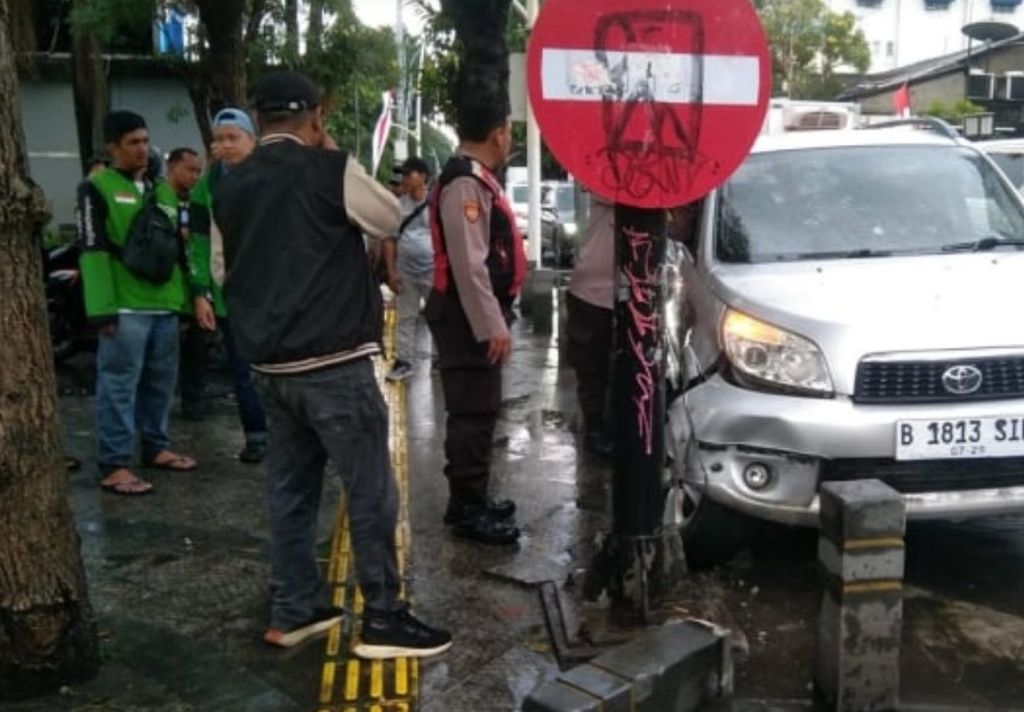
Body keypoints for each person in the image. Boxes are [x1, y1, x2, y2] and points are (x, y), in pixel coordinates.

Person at [211, 71, 451, 656]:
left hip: (269, 368)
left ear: (259, 119)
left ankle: (295, 608)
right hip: (333, 363)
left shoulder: (229, 186)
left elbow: (223, 272)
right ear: (314, 117)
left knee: (290, 491)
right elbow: (390, 217)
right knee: (369, 490)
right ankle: (385, 619)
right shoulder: (328, 170)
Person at [77, 110, 197, 496]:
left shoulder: (162, 189)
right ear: (113, 147)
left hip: (164, 304)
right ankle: (114, 464)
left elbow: (179, 248)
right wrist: (102, 310)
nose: (142, 149)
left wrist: (189, 298)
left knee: (161, 382)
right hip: (125, 308)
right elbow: (92, 252)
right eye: (133, 143)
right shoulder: (97, 188)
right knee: (118, 385)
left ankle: (156, 446)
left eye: (145, 141)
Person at [425, 97, 526, 545]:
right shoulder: (465, 183)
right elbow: (470, 264)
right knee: (470, 411)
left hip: (472, 314)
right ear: (498, 131)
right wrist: (491, 325)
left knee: (481, 409)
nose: (510, 139)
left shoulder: (478, 178)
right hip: (466, 318)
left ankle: (474, 494)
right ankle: (466, 508)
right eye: (509, 131)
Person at [188, 108, 269, 463]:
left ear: (253, 141)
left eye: (233, 137)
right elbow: (199, 242)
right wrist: (200, 292)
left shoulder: (272, 178)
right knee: (242, 370)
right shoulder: (206, 187)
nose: (225, 145)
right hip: (229, 297)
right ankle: (257, 436)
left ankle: (292, 438)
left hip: (274, 294)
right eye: (219, 139)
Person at [566, 194, 616, 460]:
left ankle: (613, 429)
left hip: (634, 293)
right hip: (592, 294)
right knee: (592, 368)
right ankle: (595, 433)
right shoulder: (606, 181)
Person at [385, 157, 435, 382]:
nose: (404, 178)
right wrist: (391, 271)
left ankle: (441, 357)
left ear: (423, 176)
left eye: (408, 174)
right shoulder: (398, 205)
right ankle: (404, 361)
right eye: (403, 175)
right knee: (406, 317)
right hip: (406, 270)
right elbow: (389, 240)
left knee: (438, 316)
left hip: (433, 270)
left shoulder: (437, 203)